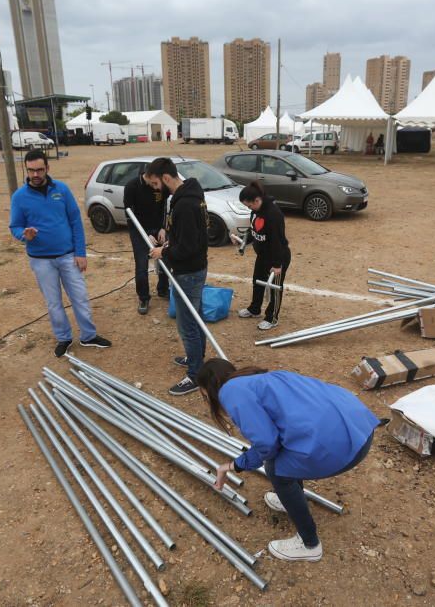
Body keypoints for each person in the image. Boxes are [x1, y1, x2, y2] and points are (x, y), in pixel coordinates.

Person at [198, 359, 380, 562]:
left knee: (275, 470)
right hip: (360, 425)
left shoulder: (229, 391)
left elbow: (267, 444)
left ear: (209, 388)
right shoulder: (262, 377)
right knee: (280, 461)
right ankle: (292, 500)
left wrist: (233, 465)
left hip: (344, 447)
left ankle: (309, 544)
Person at [10, 149, 112, 357]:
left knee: (80, 297)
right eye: (31, 171)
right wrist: (24, 235)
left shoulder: (62, 190)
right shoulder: (19, 197)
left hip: (68, 256)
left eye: (40, 170)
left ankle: (88, 336)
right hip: (41, 261)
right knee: (54, 302)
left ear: (47, 168)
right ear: (27, 170)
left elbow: (75, 221)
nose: (36, 175)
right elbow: (15, 226)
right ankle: (63, 338)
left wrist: (80, 252)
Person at [143, 157, 208, 395]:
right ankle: (196, 359)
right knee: (196, 317)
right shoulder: (188, 197)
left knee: (188, 325)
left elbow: (189, 246)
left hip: (188, 271)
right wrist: (170, 240)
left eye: (155, 183)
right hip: (193, 268)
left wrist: (164, 251)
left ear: (166, 178)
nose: (154, 188)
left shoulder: (185, 205)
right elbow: (189, 237)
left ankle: (195, 374)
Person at [230, 181, 290, 330]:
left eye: (249, 205)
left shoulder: (273, 214)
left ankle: (272, 318)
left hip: (278, 257)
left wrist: (277, 265)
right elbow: (254, 232)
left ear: (257, 200)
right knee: (257, 282)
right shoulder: (255, 212)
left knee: (275, 288)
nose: (248, 208)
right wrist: (242, 240)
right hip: (262, 256)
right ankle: (254, 309)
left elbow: (276, 241)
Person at [124, 166, 169, 314]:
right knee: (142, 265)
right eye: (155, 181)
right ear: (148, 176)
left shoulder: (159, 185)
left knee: (165, 258)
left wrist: (163, 227)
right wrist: (144, 233)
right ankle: (144, 297)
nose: (157, 184)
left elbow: (163, 207)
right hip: (138, 230)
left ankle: (163, 289)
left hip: (157, 228)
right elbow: (130, 215)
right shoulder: (132, 186)